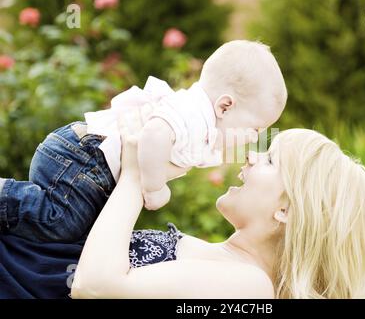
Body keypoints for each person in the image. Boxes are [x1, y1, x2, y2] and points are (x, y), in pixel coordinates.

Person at [71, 113, 365, 299]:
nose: (251, 155)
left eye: (270, 159)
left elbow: (93, 286)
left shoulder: (252, 287)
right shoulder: (227, 265)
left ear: (287, 211)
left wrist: (134, 178)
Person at [0, 40, 287, 243]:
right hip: (83, 159)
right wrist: (154, 186)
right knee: (61, 222)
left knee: (77, 234)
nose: (253, 137)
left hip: (85, 164)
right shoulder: (193, 114)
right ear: (225, 106)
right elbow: (154, 134)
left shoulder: (202, 122)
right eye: (255, 127)